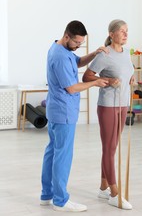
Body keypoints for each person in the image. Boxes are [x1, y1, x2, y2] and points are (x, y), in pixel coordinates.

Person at [40, 20, 109, 212]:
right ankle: (60, 201)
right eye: (77, 43)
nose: (78, 46)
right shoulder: (60, 57)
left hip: (56, 111)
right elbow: (71, 88)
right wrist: (95, 83)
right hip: (64, 113)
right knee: (63, 156)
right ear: (67, 36)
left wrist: (94, 54)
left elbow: (77, 62)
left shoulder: (61, 50)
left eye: (81, 43)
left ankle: (47, 194)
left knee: (52, 152)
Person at [82, 19, 135, 210]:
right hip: (108, 106)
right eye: (122, 31)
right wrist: (108, 80)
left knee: (112, 147)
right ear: (111, 34)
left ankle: (103, 186)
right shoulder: (105, 54)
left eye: (127, 31)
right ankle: (114, 193)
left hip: (122, 105)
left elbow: (125, 71)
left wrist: (131, 77)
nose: (125, 34)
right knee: (109, 148)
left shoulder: (126, 53)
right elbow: (87, 76)